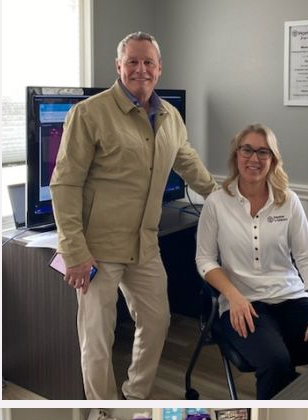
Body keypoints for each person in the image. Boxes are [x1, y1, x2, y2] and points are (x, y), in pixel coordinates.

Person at [50, 31, 217, 400]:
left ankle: (134, 396)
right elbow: (64, 186)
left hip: (145, 245)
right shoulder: (89, 114)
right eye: (132, 62)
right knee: (97, 340)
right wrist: (74, 251)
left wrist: (224, 198)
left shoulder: (170, 117)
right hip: (97, 249)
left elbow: (188, 163)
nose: (140, 69)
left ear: (159, 69)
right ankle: (104, 410)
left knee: (157, 322)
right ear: (119, 66)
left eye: (148, 63)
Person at [195, 123, 308, 399]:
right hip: (244, 304)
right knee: (276, 363)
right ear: (236, 155)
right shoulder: (217, 203)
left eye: (263, 152)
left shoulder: (289, 201)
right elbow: (205, 259)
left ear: (273, 160)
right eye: (247, 150)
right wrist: (233, 296)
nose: (254, 159)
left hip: (291, 298)